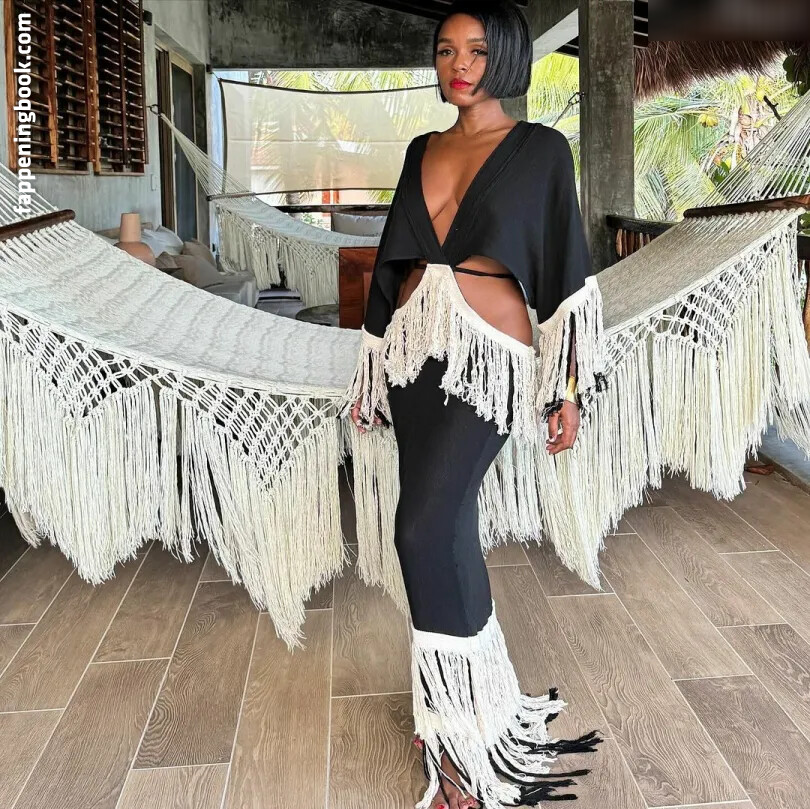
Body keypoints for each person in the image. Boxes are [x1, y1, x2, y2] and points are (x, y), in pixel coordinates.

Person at [344, 2, 606, 807]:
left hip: (490, 363)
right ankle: (477, 713)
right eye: (446, 50)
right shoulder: (421, 150)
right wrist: (371, 371)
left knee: (419, 528)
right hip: (412, 358)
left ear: (509, 57)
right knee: (446, 528)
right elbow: (392, 263)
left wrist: (566, 387)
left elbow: (563, 273)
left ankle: (457, 748)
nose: (459, 64)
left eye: (478, 51)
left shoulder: (542, 150)